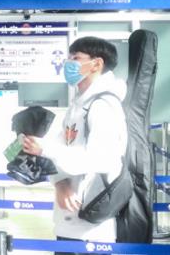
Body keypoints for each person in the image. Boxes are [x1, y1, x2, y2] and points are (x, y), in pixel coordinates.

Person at [21, 36, 127, 246]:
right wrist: (60, 183)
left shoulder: (103, 105)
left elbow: (100, 159)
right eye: (69, 58)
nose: (68, 64)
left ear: (96, 64)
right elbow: (60, 148)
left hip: (92, 224)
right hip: (68, 217)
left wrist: (44, 149)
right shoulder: (79, 104)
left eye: (76, 58)